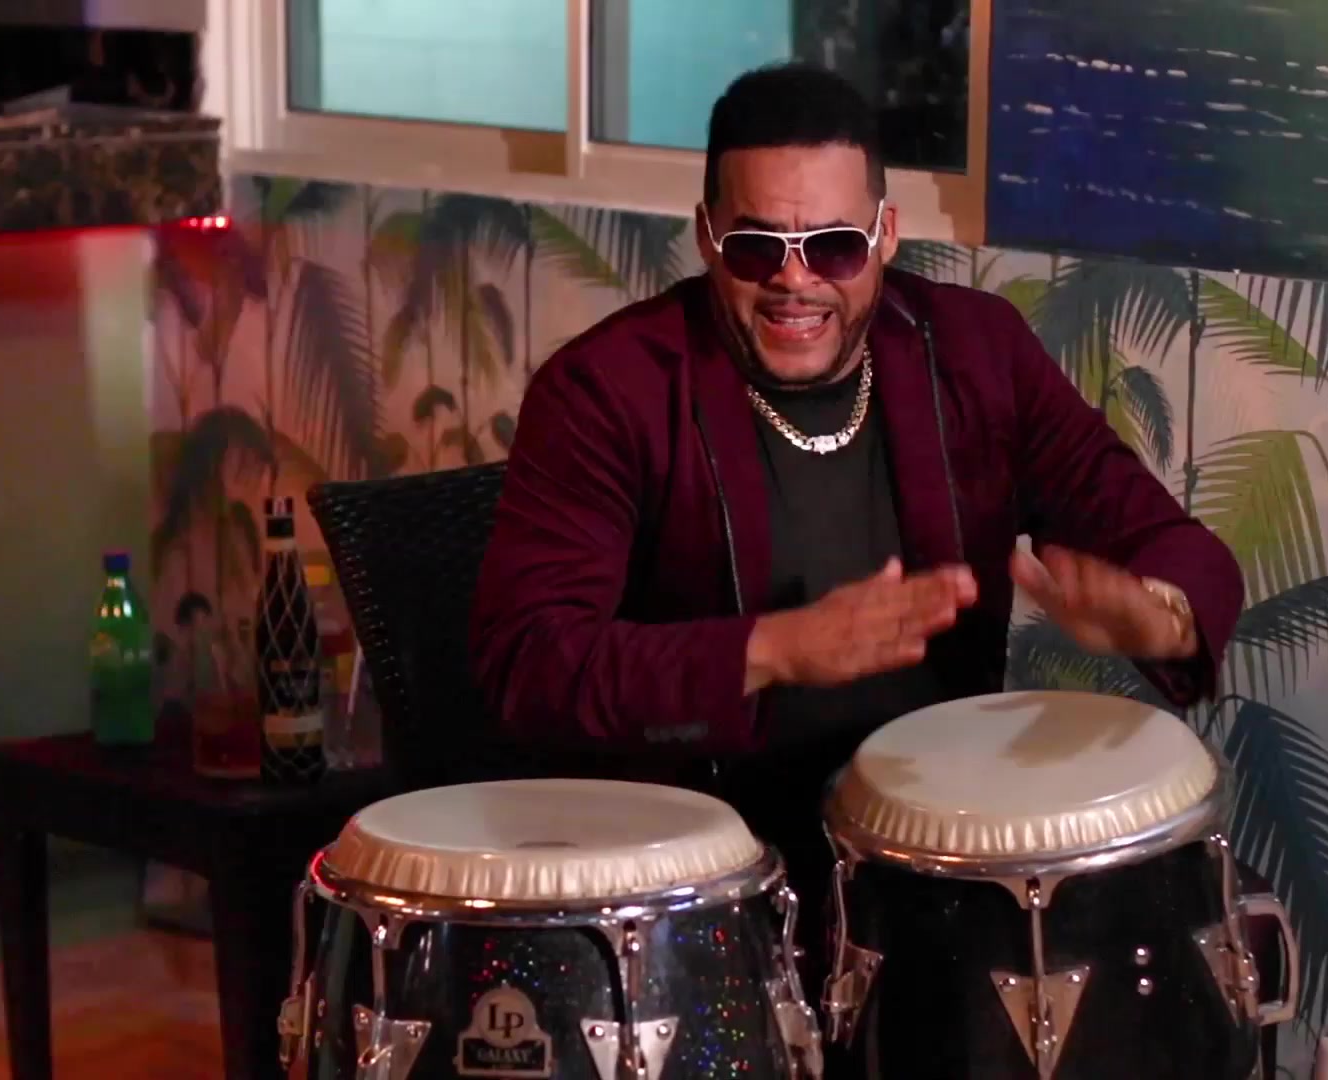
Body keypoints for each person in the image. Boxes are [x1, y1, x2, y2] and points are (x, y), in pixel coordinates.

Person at [470, 62, 1243, 983]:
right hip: (706, 898)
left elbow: (1163, 536)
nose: (795, 282)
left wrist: (1160, 614)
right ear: (707, 235)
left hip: (938, 874)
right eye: (756, 247)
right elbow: (529, 661)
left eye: (834, 247)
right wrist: (773, 650)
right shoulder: (608, 390)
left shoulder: (976, 352)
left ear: (885, 235)